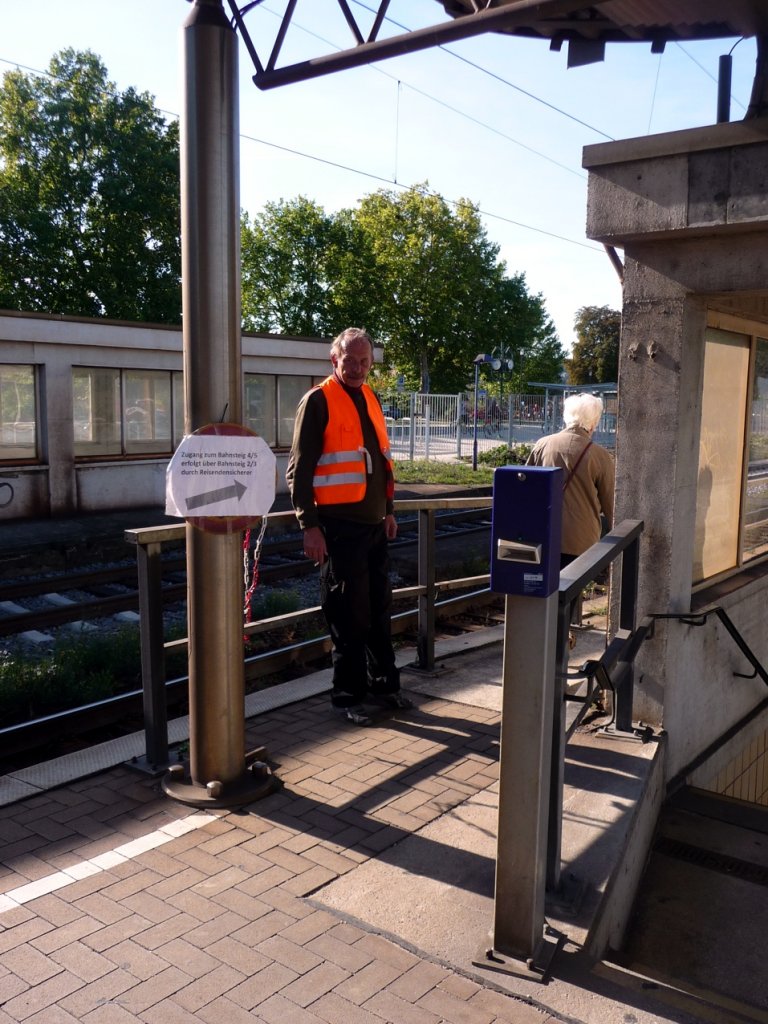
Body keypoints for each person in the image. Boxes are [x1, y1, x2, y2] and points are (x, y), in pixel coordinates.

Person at [286, 327, 412, 726]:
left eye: (364, 362)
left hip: (374, 525)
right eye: (350, 360)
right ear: (334, 360)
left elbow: (383, 460)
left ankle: (384, 685)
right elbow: (298, 470)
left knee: (378, 609)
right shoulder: (318, 401)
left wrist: (389, 510)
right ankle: (348, 697)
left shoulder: (371, 398)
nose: (357, 368)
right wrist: (309, 525)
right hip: (339, 529)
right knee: (348, 615)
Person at [525, 393, 614, 568]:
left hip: (544, 533)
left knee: (542, 590)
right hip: (582, 541)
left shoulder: (543, 445)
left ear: (566, 416)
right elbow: (611, 504)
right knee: (571, 592)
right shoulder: (600, 456)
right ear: (594, 422)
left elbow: (527, 488)